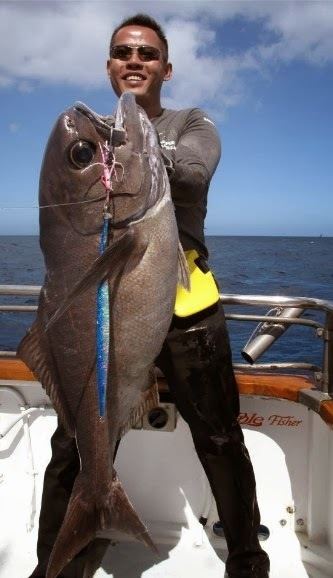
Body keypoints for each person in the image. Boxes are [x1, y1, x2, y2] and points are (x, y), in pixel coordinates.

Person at [29, 13, 270, 578]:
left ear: (166, 67)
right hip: (105, 312)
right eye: (122, 52)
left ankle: (247, 560)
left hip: (187, 310)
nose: (133, 60)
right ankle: (58, 565)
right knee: (75, 443)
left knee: (219, 438)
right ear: (110, 65)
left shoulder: (193, 122)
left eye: (146, 53)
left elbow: (192, 175)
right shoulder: (94, 136)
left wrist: (130, 154)